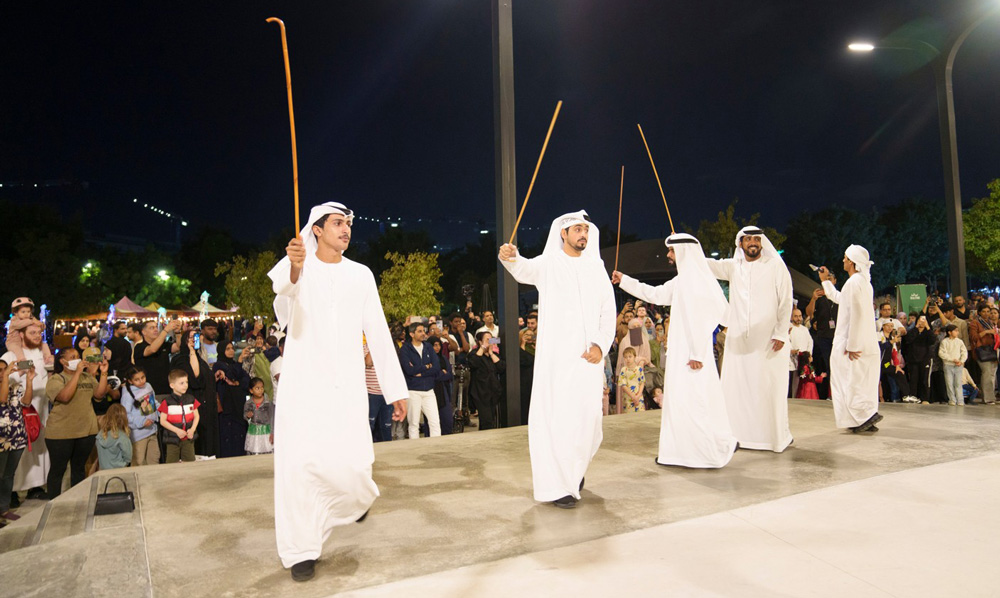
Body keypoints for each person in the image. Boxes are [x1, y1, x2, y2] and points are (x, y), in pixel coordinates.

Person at [268, 202, 407, 581]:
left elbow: (377, 330)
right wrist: (295, 266)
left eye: (348, 223)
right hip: (303, 386)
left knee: (355, 463)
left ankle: (351, 503)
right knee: (300, 468)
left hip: (346, 385)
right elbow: (283, 296)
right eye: (337, 223)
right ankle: (301, 550)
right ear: (316, 229)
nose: (346, 229)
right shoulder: (297, 264)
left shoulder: (361, 274)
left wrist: (396, 389)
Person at [499, 210, 616, 508]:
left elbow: (607, 311)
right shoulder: (549, 263)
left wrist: (601, 346)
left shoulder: (596, 267)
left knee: (588, 423)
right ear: (563, 233)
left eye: (585, 230)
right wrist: (510, 256)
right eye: (577, 229)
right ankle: (558, 484)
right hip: (557, 363)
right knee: (558, 420)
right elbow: (523, 269)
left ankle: (574, 470)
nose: (583, 234)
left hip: (589, 362)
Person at [613, 232, 738, 469]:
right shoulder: (683, 281)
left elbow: (712, 317)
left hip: (693, 356)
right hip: (683, 353)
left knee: (696, 402)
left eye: (671, 251)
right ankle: (682, 452)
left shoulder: (700, 281)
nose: (668, 255)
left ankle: (707, 453)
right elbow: (655, 293)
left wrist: (697, 354)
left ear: (683, 252)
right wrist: (625, 280)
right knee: (682, 402)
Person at [706, 226, 793, 451]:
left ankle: (774, 437)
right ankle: (738, 436)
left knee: (768, 389)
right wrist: (684, 249)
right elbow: (706, 264)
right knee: (738, 389)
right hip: (739, 343)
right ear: (740, 243)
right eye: (748, 239)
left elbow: (785, 300)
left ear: (762, 242)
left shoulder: (775, 266)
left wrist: (781, 332)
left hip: (769, 342)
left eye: (756, 238)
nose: (752, 242)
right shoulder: (734, 267)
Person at [818, 245, 881, 433]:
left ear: (852, 262)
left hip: (853, 343)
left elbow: (858, 314)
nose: (843, 261)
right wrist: (826, 281)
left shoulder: (855, 283)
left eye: (845, 258)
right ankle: (864, 416)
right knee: (860, 381)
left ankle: (860, 418)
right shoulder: (861, 282)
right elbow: (840, 298)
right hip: (864, 342)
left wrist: (852, 344)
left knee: (848, 381)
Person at [45, 347, 106, 499]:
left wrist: (103, 373)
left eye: (78, 356)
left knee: (79, 468)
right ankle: (53, 503)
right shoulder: (56, 379)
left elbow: (99, 395)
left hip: (86, 430)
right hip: (60, 433)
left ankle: (77, 500)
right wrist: (77, 373)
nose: (77, 359)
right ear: (62, 361)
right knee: (58, 470)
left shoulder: (88, 377)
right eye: (72, 357)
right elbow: (64, 397)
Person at [5, 320, 50, 504]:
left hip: (41, 410)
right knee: (18, 451)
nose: (37, 336)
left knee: (39, 449)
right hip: (19, 411)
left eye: (39, 333)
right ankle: (12, 492)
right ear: (22, 334)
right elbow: (7, 378)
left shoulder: (43, 354)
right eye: (32, 333)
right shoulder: (10, 355)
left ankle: (35, 487)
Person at [171, 330, 218, 457]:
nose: (193, 339)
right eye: (190, 337)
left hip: (207, 405)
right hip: (194, 405)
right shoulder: (181, 359)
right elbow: (195, 378)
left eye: (195, 336)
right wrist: (191, 351)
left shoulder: (199, 358)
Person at [0, 360, 34, 524]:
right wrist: (6, 377)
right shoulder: (6, 386)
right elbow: (2, 398)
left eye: (4, 370)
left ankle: (4, 509)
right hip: (1, 440)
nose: (1, 373)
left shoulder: (15, 387)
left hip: (17, 438)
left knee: (8, 476)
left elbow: (26, 402)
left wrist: (29, 381)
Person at [399, 322, 442, 438]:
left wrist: (420, 371)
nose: (423, 333)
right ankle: (415, 450)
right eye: (420, 331)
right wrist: (426, 366)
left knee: (435, 422)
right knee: (413, 424)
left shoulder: (428, 347)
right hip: (413, 391)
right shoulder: (405, 349)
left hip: (429, 390)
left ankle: (437, 449)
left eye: (423, 331)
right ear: (412, 334)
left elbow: (437, 367)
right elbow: (408, 370)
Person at [214, 341, 250, 458]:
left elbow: (246, 380)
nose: (231, 351)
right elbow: (231, 375)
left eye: (232, 348)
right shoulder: (218, 365)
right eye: (227, 349)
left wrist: (236, 383)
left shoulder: (234, 364)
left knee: (239, 434)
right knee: (227, 437)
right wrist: (239, 363)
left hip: (238, 405)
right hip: (226, 407)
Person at [158, 369, 200, 463]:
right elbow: (162, 421)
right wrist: (177, 431)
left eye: (186, 382)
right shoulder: (167, 402)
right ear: (172, 385)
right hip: (172, 438)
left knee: (189, 461)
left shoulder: (190, 399)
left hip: (188, 437)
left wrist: (192, 429)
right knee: (172, 463)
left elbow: (196, 416)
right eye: (181, 383)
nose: (185, 385)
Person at [121, 366, 160, 467]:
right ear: (130, 381)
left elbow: (153, 402)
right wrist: (141, 422)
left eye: (143, 377)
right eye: (137, 379)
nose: (141, 381)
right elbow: (125, 415)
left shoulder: (148, 386)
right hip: (138, 436)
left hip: (152, 431)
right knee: (139, 463)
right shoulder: (127, 395)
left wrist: (162, 411)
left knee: (154, 460)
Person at [468, 331, 505, 430]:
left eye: (491, 339)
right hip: (480, 392)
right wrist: (482, 348)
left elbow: (501, 368)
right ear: (480, 342)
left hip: (493, 392)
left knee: (491, 420)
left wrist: (491, 353)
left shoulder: (494, 355)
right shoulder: (475, 354)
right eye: (487, 340)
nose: (490, 342)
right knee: (486, 420)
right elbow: (473, 363)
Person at [134, 319, 181, 395]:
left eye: (156, 327)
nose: (156, 329)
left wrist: (177, 332)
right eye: (152, 328)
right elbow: (152, 349)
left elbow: (178, 347)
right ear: (143, 332)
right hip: (147, 391)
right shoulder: (139, 347)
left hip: (166, 389)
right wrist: (165, 330)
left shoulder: (164, 344)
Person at [5, 297, 54, 366]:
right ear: (16, 313)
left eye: (28, 312)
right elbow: (20, 324)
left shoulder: (31, 318)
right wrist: (33, 322)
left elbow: (40, 326)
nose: (26, 314)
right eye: (23, 312)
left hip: (24, 342)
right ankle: (24, 366)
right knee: (19, 352)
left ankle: (48, 360)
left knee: (44, 345)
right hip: (13, 342)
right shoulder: (14, 320)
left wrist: (41, 325)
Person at [968, 302, 998, 405]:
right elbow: (973, 337)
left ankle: (988, 396)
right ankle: (988, 399)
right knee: (987, 374)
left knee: (990, 375)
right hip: (981, 351)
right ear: (979, 312)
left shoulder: (991, 322)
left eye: (988, 311)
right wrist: (986, 332)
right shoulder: (975, 323)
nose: (986, 313)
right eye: (984, 311)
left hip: (992, 350)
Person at [429, 336, 454, 435]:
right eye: (434, 345)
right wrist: (441, 373)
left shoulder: (443, 358)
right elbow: (432, 375)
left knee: (447, 420)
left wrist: (441, 374)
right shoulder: (427, 359)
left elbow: (449, 375)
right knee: (432, 421)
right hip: (431, 389)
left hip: (444, 391)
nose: (437, 347)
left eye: (439, 345)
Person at [95, 403, 132, 470]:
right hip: (119, 471)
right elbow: (128, 458)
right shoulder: (122, 437)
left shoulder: (99, 436)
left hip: (103, 472)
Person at [938, 324, 968, 406]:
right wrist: (952, 359)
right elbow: (941, 353)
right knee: (949, 383)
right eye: (955, 331)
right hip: (948, 365)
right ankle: (952, 399)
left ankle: (960, 400)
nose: (957, 332)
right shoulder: (944, 342)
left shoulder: (959, 341)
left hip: (958, 365)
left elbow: (964, 352)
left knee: (958, 383)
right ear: (950, 332)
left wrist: (961, 361)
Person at [244, 377, 275, 455]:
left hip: (266, 431)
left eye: (262, 388)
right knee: (255, 449)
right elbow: (244, 414)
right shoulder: (248, 403)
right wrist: (247, 415)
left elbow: (272, 417)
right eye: (257, 388)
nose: (261, 390)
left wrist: (272, 432)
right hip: (254, 431)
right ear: (251, 390)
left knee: (266, 449)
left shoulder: (268, 403)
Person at [788, 308, 813, 398]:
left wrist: (809, 354)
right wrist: (791, 350)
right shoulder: (789, 327)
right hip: (791, 357)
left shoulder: (804, 329)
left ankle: (796, 397)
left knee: (799, 380)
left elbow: (810, 342)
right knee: (790, 380)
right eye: (796, 316)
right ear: (791, 317)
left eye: (799, 316)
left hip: (803, 358)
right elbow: (787, 340)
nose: (798, 318)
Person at [616, 347, 645, 413]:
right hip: (628, 398)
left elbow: (642, 383)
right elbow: (623, 385)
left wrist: (638, 395)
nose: (628, 359)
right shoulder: (623, 370)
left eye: (630, 356)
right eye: (625, 357)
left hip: (639, 396)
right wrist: (633, 396)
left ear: (634, 357)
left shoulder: (639, 369)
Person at [518, 329, 535, 425]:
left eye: (531, 335)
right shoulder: (519, 348)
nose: (529, 337)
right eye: (526, 335)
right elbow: (524, 360)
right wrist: (523, 345)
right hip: (525, 378)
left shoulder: (536, 347)